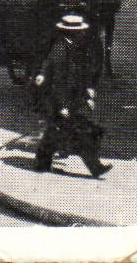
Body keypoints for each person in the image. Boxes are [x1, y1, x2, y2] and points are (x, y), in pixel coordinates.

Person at [32, 12, 110, 177]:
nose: (82, 33)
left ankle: (42, 162)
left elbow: (81, 74)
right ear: (72, 32)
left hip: (69, 99)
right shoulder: (60, 50)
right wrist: (63, 106)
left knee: (56, 132)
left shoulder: (74, 47)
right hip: (58, 100)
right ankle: (95, 167)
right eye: (79, 31)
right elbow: (58, 83)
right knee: (81, 133)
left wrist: (88, 93)